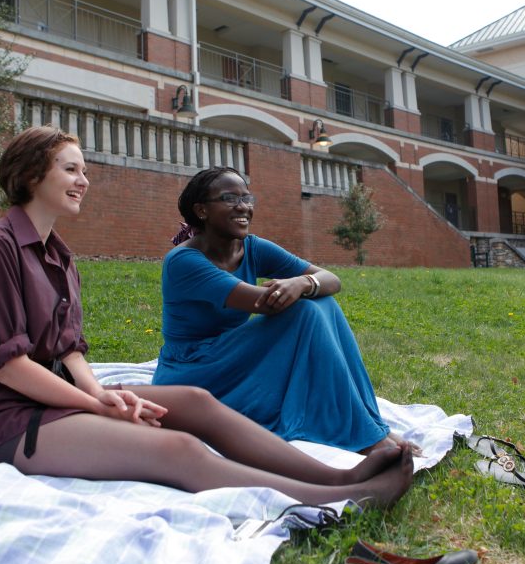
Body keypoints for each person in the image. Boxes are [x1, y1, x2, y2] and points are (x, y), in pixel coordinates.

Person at [0, 126, 412, 508]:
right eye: (71, 169)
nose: (84, 180)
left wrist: (100, 392)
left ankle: (340, 474)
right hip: (6, 418)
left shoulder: (59, 255)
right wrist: (95, 404)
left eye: (84, 170)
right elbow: (9, 366)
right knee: (180, 448)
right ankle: (343, 498)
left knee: (196, 402)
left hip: (60, 398)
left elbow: (68, 349)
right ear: (30, 177)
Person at [154, 166, 410, 454]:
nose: (243, 207)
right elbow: (262, 303)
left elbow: (331, 280)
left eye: (247, 198)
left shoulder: (250, 247)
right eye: (229, 198)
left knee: (322, 301)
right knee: (305, 312)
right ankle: (365, 436)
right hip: (194, 370)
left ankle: (369, 422)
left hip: (232, 355)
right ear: (201, 210)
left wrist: (304, 282)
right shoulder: (184, 261)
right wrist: (301, 287)